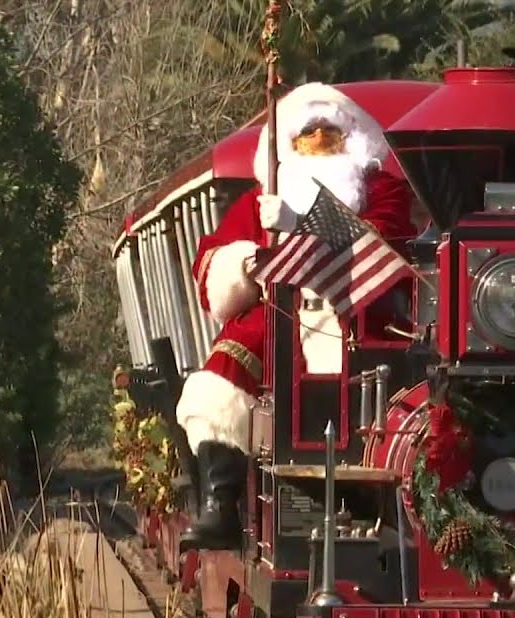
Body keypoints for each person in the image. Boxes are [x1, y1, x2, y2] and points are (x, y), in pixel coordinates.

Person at [175, 82, 416, 551]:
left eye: (331, 134)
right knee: (216, 386)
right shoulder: (259, 200)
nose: (319, 143)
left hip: (357, 321)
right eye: (307, 136)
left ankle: (379, 508)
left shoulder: (383, 192)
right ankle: (222, 504)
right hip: (279, 320)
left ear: (355, 138)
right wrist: (246, 260)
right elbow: (211, 265)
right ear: (286, 145)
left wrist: (299, 225)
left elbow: (383, 249)